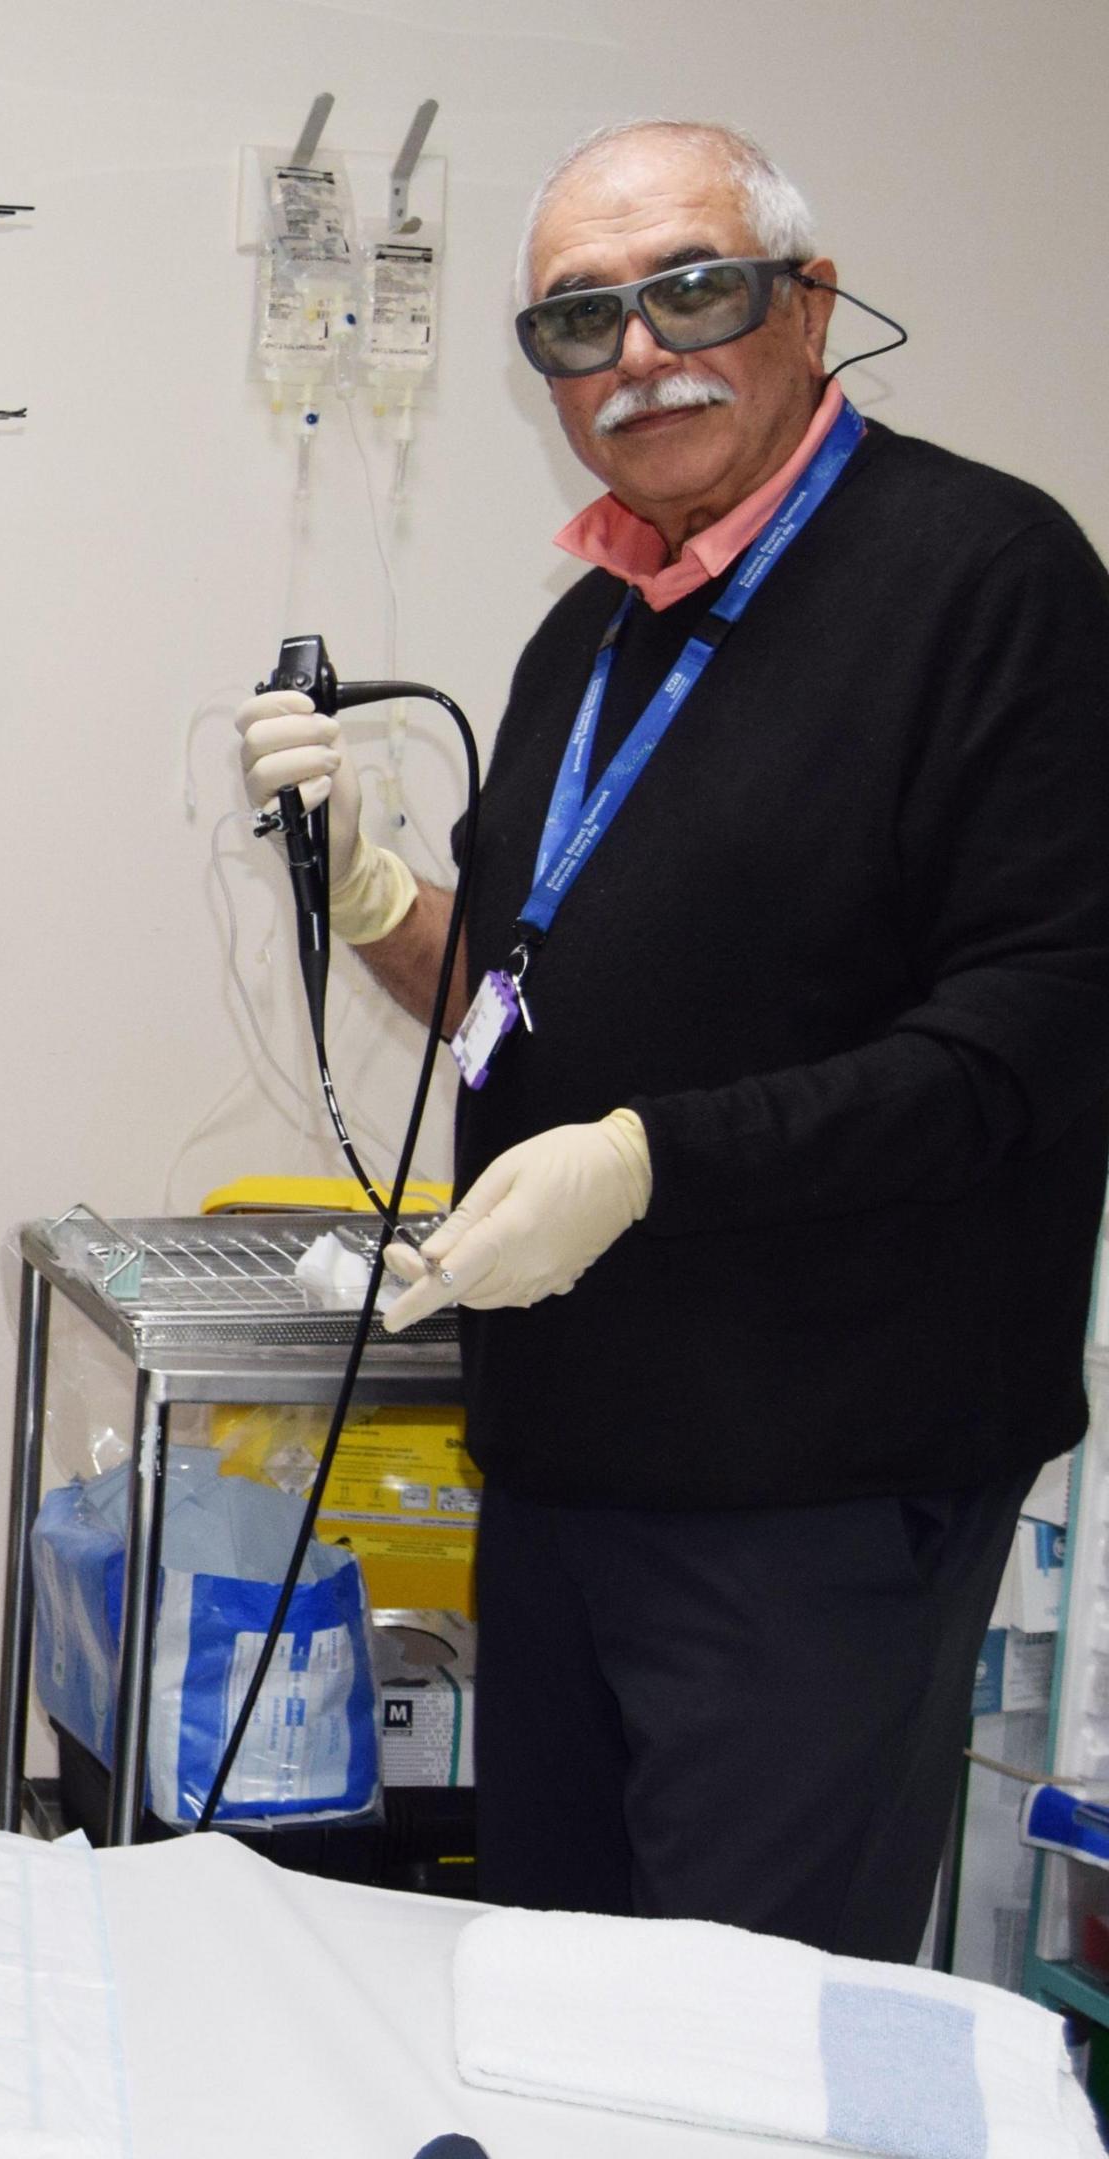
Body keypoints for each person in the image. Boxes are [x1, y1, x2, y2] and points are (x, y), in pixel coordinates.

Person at [235, 119, 1109, 1957]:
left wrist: (651, 1162)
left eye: (688, 290)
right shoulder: (594, 636)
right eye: (578, 322)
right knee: (557, 2002)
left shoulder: (988, 580)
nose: (637, 354)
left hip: (820, 1499)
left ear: (808, 303)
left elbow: (1029, 1036)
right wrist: (382, 899)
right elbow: (522, 1014)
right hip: (565, 1471)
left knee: (738, 2054)